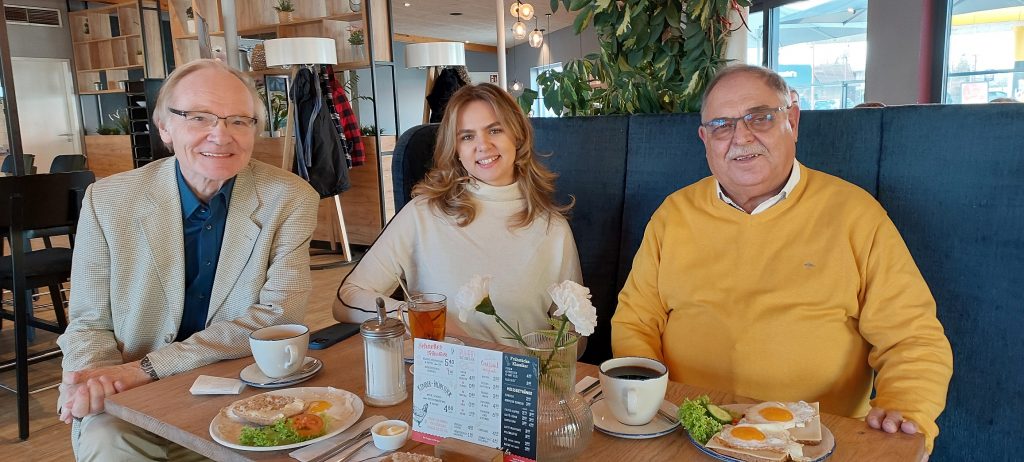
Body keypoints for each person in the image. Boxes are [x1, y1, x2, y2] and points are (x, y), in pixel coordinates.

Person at [611, 65, 953, 455]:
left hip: (813, 444)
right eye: (722, 125)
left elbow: (912, 338)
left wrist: (905, 407)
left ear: (792, 120)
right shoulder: (673, 215)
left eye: (760, 117)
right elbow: (635, 319)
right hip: (686, 432)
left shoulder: (855, 215)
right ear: (705, 139)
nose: (741, 137)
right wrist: (650, 398)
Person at [56, 59, 320, 460]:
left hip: (240, 384)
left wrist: (148, 367)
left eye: (239, 121)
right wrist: (96, 380)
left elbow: (277, 317)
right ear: (165, 128)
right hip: (134, 392)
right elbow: (89, 322)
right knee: (108, 441)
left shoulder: (290, 198)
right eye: (199, 117)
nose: (221, 135)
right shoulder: (108, 200)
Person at [334, 83, 582, 345]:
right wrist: (414, 315)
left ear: (518, 136)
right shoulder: (422, 214)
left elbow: (575, 332)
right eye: (467, 137)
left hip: (522, 369)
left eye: (495, 130)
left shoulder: (552, 228)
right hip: (439, 368)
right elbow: (347, 298)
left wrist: (536, 361)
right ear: (456, 150)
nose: (482, 145)